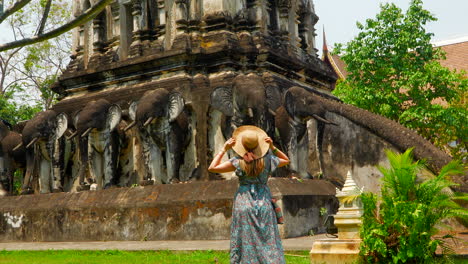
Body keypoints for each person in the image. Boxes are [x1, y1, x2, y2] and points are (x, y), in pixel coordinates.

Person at [208, 125, 290, 264]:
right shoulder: (268, 161)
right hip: (263, 201)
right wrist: (272, 147)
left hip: (243, 202)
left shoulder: (238, 162)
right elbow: (286, 160)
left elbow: (212, 167)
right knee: (267, 238)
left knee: (245, 238)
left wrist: (224, 149)